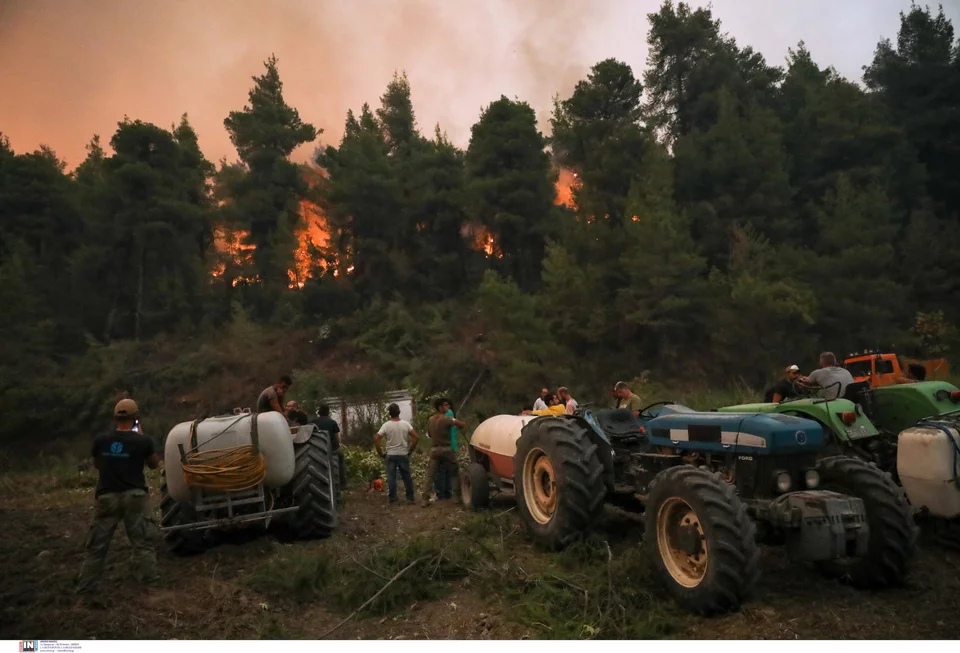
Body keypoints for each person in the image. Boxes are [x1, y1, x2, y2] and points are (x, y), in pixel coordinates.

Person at [76, 399, 160, 595]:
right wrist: (140, 438)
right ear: (136, 418)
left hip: (107, 497)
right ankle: (152, 587)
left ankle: (86, 589)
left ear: (115, 418)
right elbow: (154, 465)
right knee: (143, 544)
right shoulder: (143, 441)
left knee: (97, 546)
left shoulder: (101, 440)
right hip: (135, 496)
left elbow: (98, 465)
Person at [421, 398, 468, 507]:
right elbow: (462, 424)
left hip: (434, 450)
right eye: (445, 405)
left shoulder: (430, 419)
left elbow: (429, 434)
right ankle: (456, 497)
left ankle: (425, 499)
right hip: (446, 449)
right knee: (454, 473)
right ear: (440, 407)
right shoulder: (447, 419)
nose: (448, 407)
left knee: (430, 476)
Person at [375, 403, 419, 504]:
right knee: (406, 476)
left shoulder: (386, 425)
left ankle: (393, 498)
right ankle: (410, 498)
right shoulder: (406, 424)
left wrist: (381, 453)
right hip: (403, 454)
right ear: (399, 412)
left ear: (389, 413)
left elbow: (376, 438)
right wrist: (410, 450)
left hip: (390, 454)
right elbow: (416, 437)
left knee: (391, 477)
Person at [313, 404, 347, 488]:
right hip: (332, 449)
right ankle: (342, 483)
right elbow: (337, 438)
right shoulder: (332, 422)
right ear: (328, 412)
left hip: (316, 448)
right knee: (341, 457)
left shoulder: (313, 422)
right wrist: (338, 445)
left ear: (319, 412)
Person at [435, 406, 459, 501]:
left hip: (444, 446)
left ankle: (442, 493)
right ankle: (448, 492)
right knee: (449, 470)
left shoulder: (445, 416)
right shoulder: (450, 414)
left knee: (441, 470)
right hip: (451, 445)